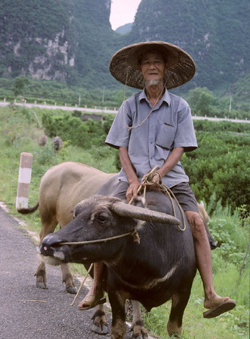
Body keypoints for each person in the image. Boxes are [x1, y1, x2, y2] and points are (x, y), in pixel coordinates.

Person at [78, 41, 236, 318]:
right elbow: (122, 148)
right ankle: (96, 289)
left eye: (158, 62)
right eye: (147, 62)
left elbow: (181, 147)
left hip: (172, 179)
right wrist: (131, 179)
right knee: (103, 218)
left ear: (166, 68)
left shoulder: (179, 107)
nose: (152, 66)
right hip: (132, 179)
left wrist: (160, 174)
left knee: (197, 223)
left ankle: (210, 294)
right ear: (140, 69)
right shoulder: (129, 106)